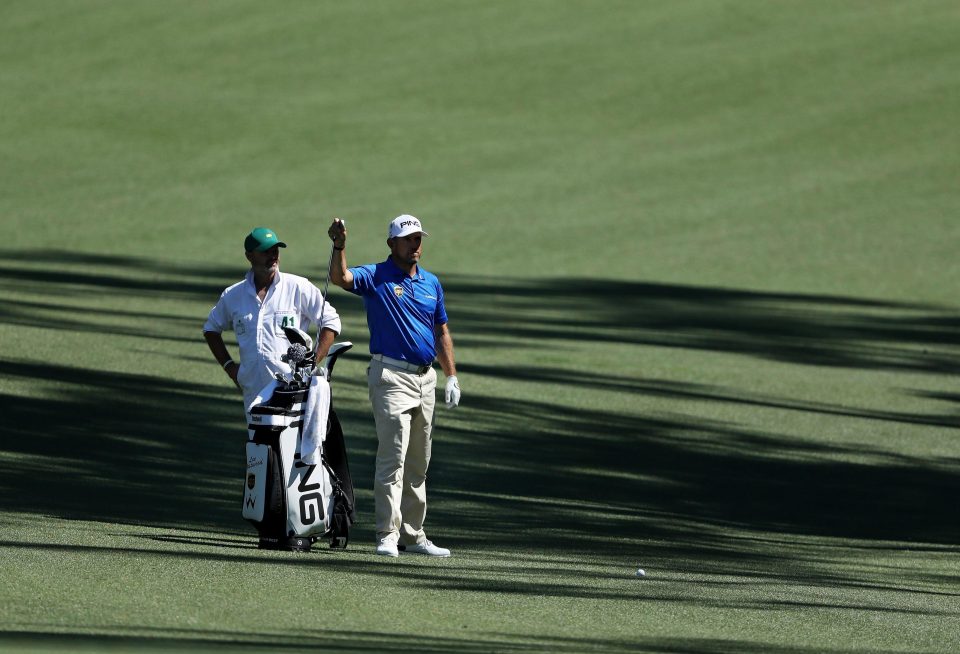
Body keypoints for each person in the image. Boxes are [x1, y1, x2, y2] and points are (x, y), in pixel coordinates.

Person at [327, 214, 460, 558]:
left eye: (418, 239)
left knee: (419, 463)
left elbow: (441, 330)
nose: (415, 245)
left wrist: (451, 375)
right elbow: (340, 277)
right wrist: (339, 245)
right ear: (392, 244)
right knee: (393, 459)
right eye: (408, 239)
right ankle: (387, 534)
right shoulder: (376, 276)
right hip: (391, 377)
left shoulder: (431, 283)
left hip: (425, 379)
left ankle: (414, 536)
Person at [203, 227, 341, 411]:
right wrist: (230, 367)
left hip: (292, 390)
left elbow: (330, 321)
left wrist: (313, 361)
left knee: (292, 440)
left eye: (275, 251)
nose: (273, 256)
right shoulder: (233, 295)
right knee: (257, 440)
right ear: (249, 256)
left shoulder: (298, 287)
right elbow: (211, 328)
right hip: (253, 392)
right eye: (265, 252)